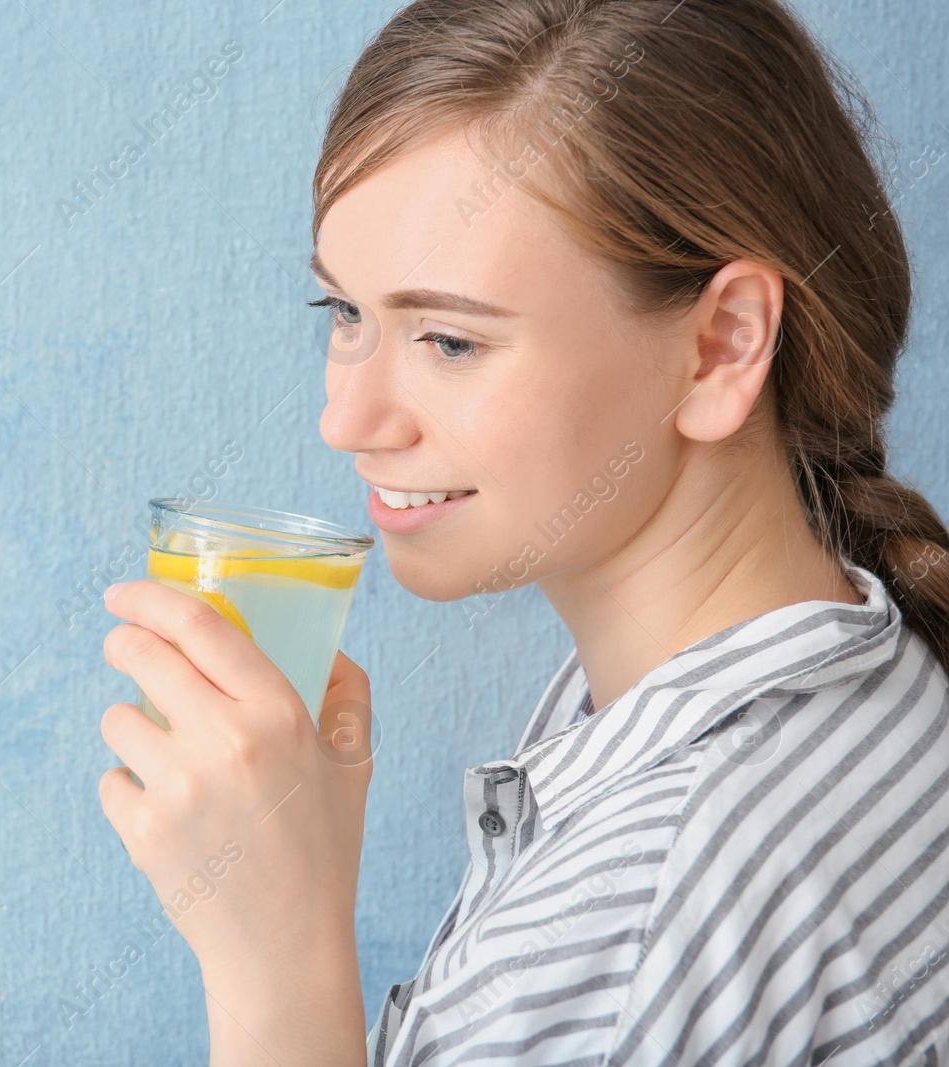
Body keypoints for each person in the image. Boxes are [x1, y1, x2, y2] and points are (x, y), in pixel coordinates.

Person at [95, 0, 949, 1062]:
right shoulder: (872, 672)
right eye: (346, 315)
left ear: (722, 345)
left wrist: (276, 964)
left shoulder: (627, 919)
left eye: (449, 339)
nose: (346, 419)